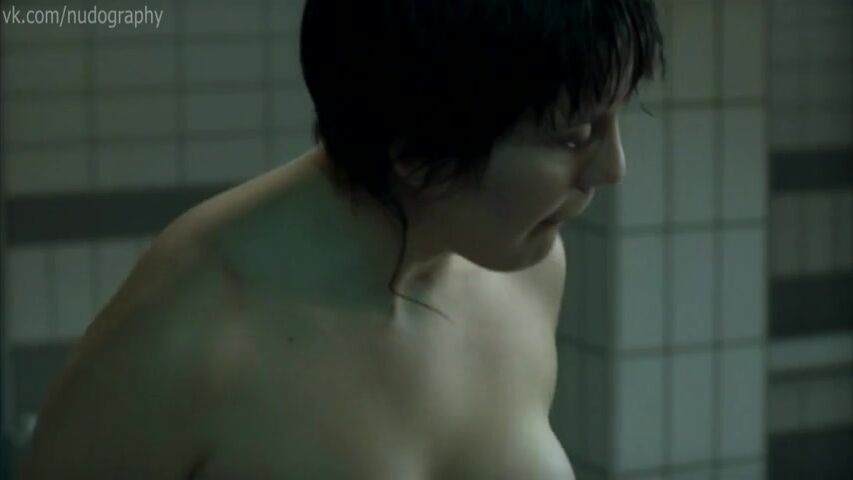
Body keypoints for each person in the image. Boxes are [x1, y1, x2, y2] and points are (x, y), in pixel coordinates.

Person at [18, 0, 665, 478]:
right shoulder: (192, 326)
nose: (612, 169)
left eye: (616, 118)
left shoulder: (529, 269)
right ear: (416, 150)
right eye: (573, 137)